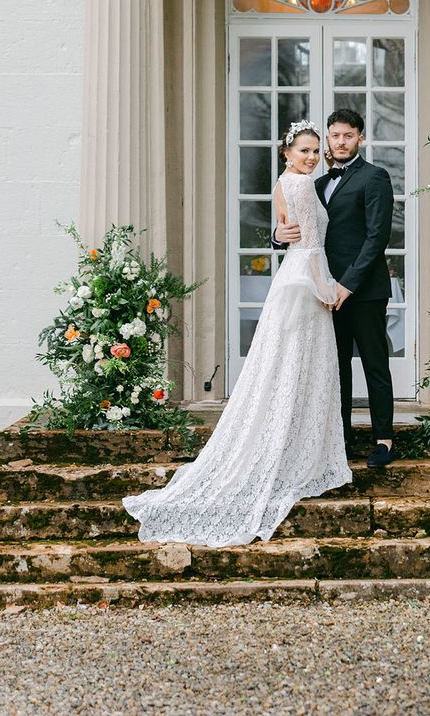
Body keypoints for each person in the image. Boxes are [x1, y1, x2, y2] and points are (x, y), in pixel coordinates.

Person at [122, 121, 351, 546]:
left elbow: (288, 234)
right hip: (306, 284)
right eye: (305, 150)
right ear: (287, 153)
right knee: (300, 367)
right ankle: (296, 453)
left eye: (316, 151)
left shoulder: (285, 184)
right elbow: (313, 246)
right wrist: (327, 290)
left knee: (282, 367)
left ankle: (285, 446)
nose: (312, 157)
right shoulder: (301, 186)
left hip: (289, 280)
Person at [274, 109, 395, 467]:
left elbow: (377, 237)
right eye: (334, 135)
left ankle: (384, 440)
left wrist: (347, 284)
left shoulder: (375, 177)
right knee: (335, 367)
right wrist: (278, 237)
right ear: (327, 139)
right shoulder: (314, 182)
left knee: (375, 363)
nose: (340, 141)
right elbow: (299, 230)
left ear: (360, 138)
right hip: (322, 291)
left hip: (364, 289)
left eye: (347, 135)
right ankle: (337, 441)